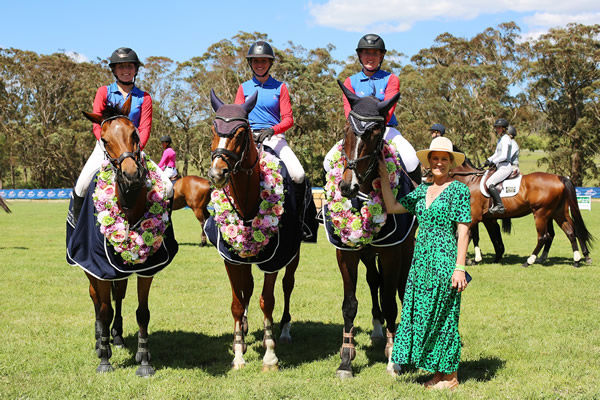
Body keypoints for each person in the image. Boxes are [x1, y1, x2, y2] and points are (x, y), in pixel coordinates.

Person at [378, 136, 471, 390]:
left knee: (445, 316)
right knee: (424, 315)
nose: (439, 163)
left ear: (451, 163)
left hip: (445, 261)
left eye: (444, 159)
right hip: (420, 264)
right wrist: (385, 179)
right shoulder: (422, 190)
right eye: (435, 159)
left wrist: (460, 267)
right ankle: (438, 373)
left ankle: (451, 377)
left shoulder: (458, 190)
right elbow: (393, 206)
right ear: (429, 162)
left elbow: (464, 231)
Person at [72, 47, 172, 223]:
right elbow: (97, 125)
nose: (126, 71)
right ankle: (76, 229)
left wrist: (134, 151)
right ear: (114, 70)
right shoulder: (104, 92)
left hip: (132, 149)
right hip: (105, 147)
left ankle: (164, 231)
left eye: (130, 67)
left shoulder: (144, 97)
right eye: (121, 67)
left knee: (168, 186)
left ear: (136, 70)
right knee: (81, 186)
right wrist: (106, 145)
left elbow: (145, 128)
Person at [324, 34, 420, 184]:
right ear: (360, 55)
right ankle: (334, 200)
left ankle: (416, 200)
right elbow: (348, 113)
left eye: (375, 53)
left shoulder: (391, 79)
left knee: (411, 159)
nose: (370, 57)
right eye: (366, 52)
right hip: (357, 132)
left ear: (381, 56)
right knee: (328, 161)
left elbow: (387, 112)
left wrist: (373, 128)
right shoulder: (350, 81)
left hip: (385, 129)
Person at [234, 40, 307, 212]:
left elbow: (288, 119)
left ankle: (300, 219)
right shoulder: (243, 88)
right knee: (223, 169)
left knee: (298, 174)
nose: (260, 65)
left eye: (264, 61)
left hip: (274, 137)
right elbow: (238, 117)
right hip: (248, 138)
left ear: (270, 63)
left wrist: (272, 130)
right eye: (256, 61)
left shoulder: (280, 87)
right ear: (250, 63)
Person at [482, 118, 518, 214]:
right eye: (496, 127)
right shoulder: (501, 139)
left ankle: (499, 206)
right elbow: (496, 154)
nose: (497, 129)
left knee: (489, 182)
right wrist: (488, 160)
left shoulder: (506, 139)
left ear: (504, 128)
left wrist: (493, 162)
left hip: (505, 166)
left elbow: (504, 156)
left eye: (499, 127)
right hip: (500, 166)